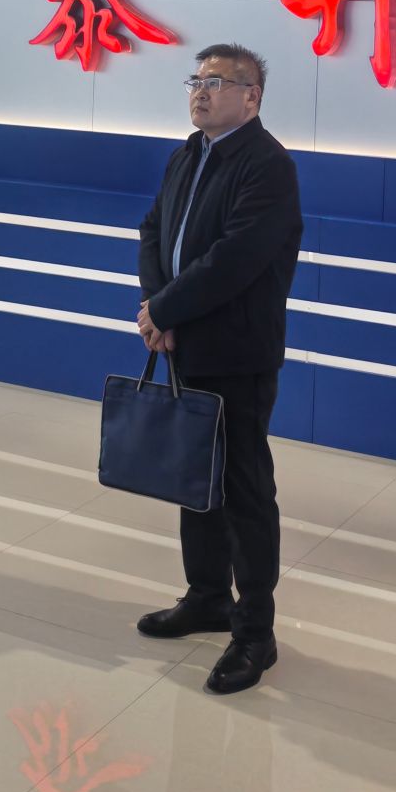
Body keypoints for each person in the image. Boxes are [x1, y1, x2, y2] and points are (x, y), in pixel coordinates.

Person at [133, 43, 302, 697]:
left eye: (217, 82)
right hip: (184, 344)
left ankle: (255, 632)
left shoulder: (268, 166)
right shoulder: (187, 153)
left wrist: (166, 309)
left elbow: (235, 260)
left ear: (251, 97)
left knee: (242, 490)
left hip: (237, 353)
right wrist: (159, 307)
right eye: (195, 80)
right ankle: (206, 596)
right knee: (194, 481)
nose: (200, 92)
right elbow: (152, 232)